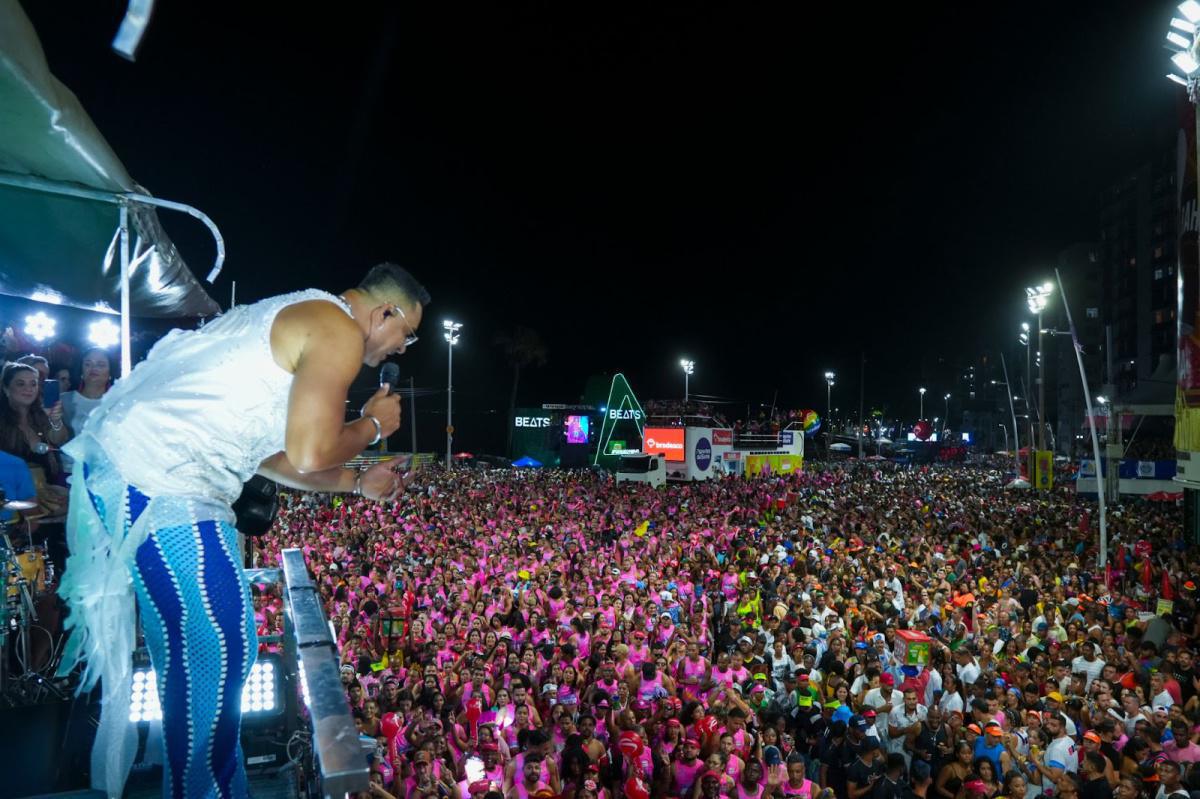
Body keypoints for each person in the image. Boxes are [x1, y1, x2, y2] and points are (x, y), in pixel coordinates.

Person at [57, 263, 428, 799]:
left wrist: (355, 482)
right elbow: (309, 450)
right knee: (219, 644)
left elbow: (272, 456)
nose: (403, 348)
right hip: (158, 472)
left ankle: (212, 787)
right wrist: (373, 424)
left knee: (213, 649)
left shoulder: (304, 311)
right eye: (406, 333)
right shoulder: (339, 327)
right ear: (383, 312)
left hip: (148, 468)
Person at [0, 362, 70, 483]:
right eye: (20, 384)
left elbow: (59, 439)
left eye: (33, 384)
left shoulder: (41, 415)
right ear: (6, 389)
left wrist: (56, 420)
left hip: (49, 492)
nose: (28, 389)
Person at [60, 347, 113, 436]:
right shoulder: (64, 400)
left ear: (110, 372)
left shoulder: (118, 401)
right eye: (88, 364)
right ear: (81, 369)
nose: (94, 368)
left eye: (100, 365)